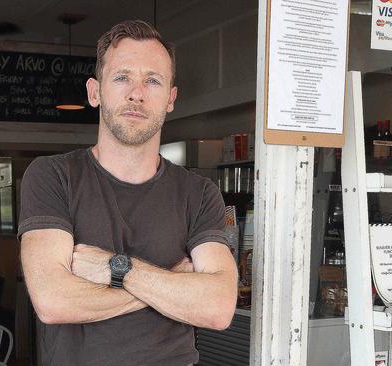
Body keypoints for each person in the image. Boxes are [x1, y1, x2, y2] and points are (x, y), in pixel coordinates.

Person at [18, 19, 238, 366]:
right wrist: (169, 285)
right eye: (122, 77)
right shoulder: (53, 177)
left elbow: (218, 308)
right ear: (95, 92)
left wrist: (116, 269)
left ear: (170, 98)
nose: (137, 93)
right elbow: (53, 301)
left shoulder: (199, 193)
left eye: (153, 80)